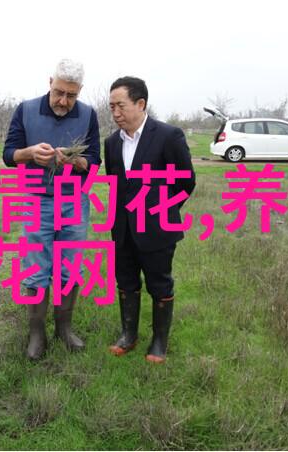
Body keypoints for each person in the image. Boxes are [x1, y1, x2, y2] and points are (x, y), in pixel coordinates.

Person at [3, 59, 101, 360]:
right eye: (59, 92)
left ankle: (64, 328)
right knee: (36, 265)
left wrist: (77, 161)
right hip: (37, 198)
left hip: (73, 201)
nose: (63, 101)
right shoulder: (26, 110)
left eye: (71, 95)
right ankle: (37, 333)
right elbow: (9, 154)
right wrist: (29, 153)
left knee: (70, 265)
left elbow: (94, 162)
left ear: (79, 90)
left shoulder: (88, 115)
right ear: (50, 82)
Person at [104, 76, 195, 363]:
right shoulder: (111, 143)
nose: (115, 113)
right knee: (126, 281)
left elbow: (185, 182)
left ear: (141, 103)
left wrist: (161, 211)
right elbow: (115, 184)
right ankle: (128, 335)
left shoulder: (168, 136)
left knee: (159, 284)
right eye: (111, 107)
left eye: (121, 106)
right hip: (123, 229)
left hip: (157, 228)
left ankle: (159, 341)